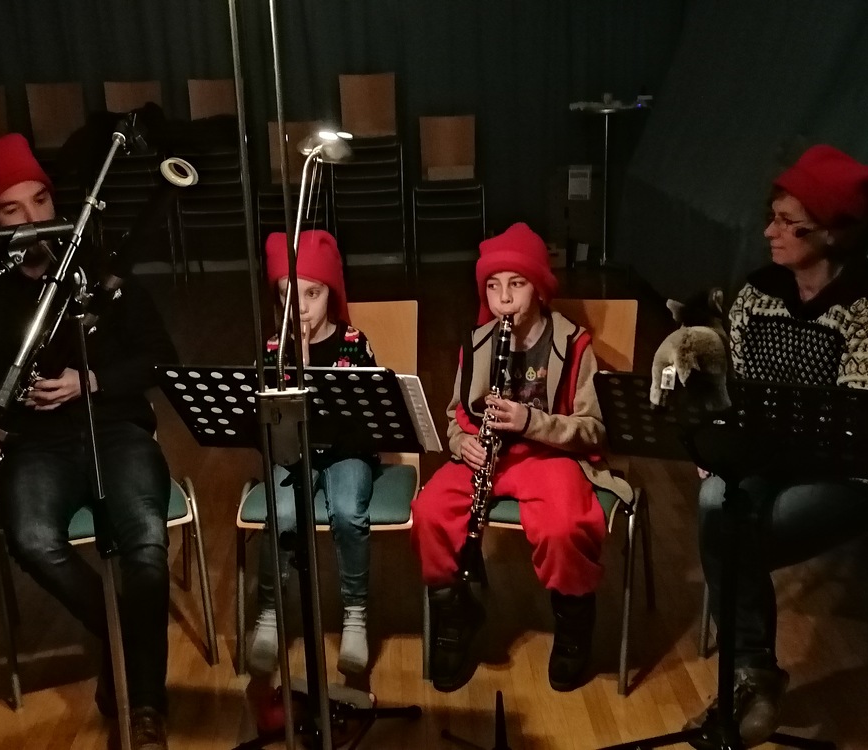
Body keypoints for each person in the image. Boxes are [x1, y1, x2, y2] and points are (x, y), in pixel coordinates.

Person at [0, 134, 178, 750]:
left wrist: (90, 380)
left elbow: (160, 357)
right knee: (30, 538)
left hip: (115, 427)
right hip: (33, 444)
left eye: (40, 200)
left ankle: (145, 706)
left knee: (146, 544)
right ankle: (126, 636)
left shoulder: (96, 265)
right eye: (12, 209)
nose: (34, 218)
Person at [690, 144, 868, 746]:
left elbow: (856, 432)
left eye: (790, 223)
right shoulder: (759, 293)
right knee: (715, 504)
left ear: (835, 234)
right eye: (773, 217)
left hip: (860, 475)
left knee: (730, 530)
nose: (770, 232)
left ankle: (750, 678)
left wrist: (750, 450)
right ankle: (751, 677)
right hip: (776, 457)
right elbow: (740, 393)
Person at [410, 222, 632, 693]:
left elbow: (595, 427)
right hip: (485, 455)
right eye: (493, 286)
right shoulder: (478, 342)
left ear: (540, 288)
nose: (504, 298)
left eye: (517, 284)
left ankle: (573, 625)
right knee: (429, 512)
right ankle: (455, 613)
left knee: (564, 525)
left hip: (550, 455)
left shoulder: (573, 344)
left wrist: (532, 421)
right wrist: (460, 443)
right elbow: (454, 415)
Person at [248, 229, 378, 676]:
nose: (301, 307)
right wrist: (292, 370)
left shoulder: (353, 343)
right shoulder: (273, 349)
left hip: (346, 451)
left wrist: (316, 371)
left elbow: (370, 416)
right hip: (293, 452)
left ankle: (355, 614)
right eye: (289, 294)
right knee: (283, 513)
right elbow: (263, 425)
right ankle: (269, 614)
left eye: (313, 293)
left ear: (331, 295)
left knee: (348, 512)